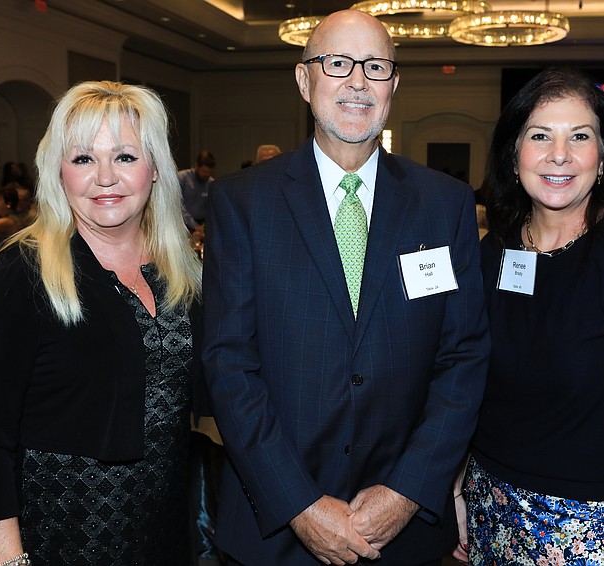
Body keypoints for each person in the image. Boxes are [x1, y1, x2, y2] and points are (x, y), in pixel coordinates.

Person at [202, 10, 489, 566]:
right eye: (338, 63)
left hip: (404, 530)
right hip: (276, 526)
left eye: (376, 67)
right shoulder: (243, 202)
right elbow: (228, 364)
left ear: (394, 85)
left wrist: (408, 490)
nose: (358, 81)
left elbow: (464, 357)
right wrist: (301, 503)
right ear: (304, 80)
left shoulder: (443, 203)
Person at [0, 81, 204, 564]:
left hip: (166, 528)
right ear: (58, 170)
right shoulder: (23, 272)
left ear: (155, 169)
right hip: (64, 536)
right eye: (83, 159)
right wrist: (9, 560)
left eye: (126, 157)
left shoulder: (181, 271)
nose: (105, 178)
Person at [461, 68, 604, 566]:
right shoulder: (496, 247)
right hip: (487, 503)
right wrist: (459, 489)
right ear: (513, 153)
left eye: (580, 137)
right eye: (540, 135)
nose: (559, 155)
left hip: (582, 523)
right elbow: (470, 384)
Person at [177, 149, 216, 226]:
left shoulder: (211, 183)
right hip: (183, 223)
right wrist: (194, 225)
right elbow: (178, 205)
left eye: (209, 172)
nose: (206, 175)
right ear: (196, 166)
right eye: (204, 171)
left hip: (203, 223)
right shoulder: (182, 178)